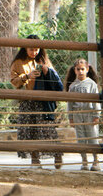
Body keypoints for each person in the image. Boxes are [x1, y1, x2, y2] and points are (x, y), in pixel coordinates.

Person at [10, 35, 64, 168]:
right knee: (30, 131)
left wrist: (46, 71)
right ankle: (35, 160)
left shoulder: (44, 61)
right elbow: (14, 82)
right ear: (25, 48)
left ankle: (57, 153)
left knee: (47, 128)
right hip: (27, 101)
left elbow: (55, 80)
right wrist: (27, 77)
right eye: (31, 49)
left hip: (42, 101)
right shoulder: (18, 62)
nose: (34, 52)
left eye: (36, 49)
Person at [64, 58, 101, 171]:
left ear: (87, 69)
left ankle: (95, 160)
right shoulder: (73, 86)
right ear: (74, 70)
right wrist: (71, 117)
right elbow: (70, 103)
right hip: (77, 114)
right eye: (78, 69)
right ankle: (84, 160)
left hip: (89, 114)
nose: (80, 71)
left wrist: (97, 115)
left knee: (92, 137)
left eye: (82, 69)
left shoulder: (92, 84)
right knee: (81, 138)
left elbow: (96, 101)